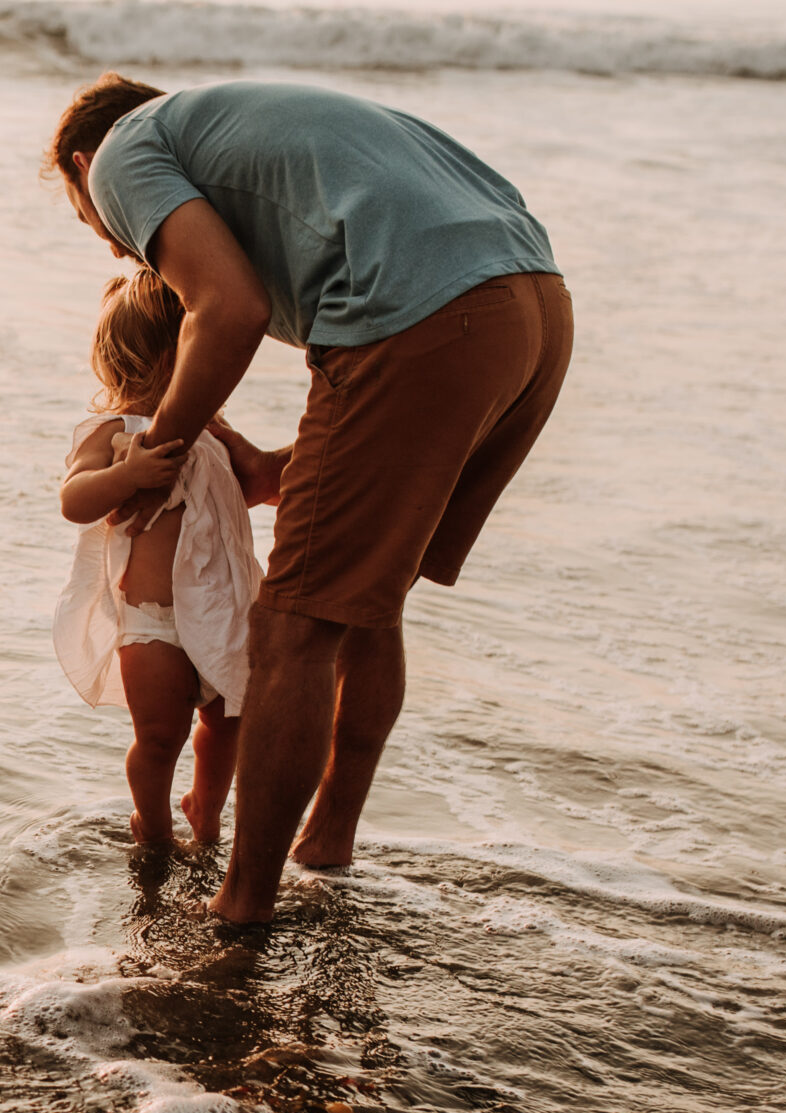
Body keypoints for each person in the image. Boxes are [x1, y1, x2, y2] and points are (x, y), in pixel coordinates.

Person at [46, 76, 573, 922]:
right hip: (533, 307)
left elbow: (229, 308)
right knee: (368, 595)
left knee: (293, 623)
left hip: (426, 316)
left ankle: (244, 905)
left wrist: (159, 446)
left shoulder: (118, 155)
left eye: (93, 224)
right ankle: (328, 842)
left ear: (82, 167)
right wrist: (273, 465)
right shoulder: (241, 123)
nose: (120, 250)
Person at [55, 269, 259, 851]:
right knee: (158, 735)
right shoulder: (115, 430)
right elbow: (73, 499)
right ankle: (154, 824)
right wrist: (126, 474)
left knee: (227, 725)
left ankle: (207, 809)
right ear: (171, 356)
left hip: (221, 611)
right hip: (152, 623)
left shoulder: (213, 431)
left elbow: (243, 490)